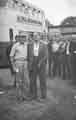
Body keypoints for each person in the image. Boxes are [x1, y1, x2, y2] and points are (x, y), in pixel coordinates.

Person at [27, 33, 48, 100]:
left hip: (41, 64)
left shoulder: (44, 45)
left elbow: (46, 55)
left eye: (37, 36)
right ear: (33, 38)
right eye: (34, 36)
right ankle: (33, 95)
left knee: (42, 80)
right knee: (32, 80)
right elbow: (28, 55)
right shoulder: (29, 45)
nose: (36, 37)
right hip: (33, 64)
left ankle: (43, 95)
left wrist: (40, 62)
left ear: (39, 37)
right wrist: (29, 64)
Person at [10, 35, 28, 100]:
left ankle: (25, 96)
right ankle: (19, 96)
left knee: (26, 80)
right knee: (18, 80)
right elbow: (11, 56)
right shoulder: (15, 45)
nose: (23, 38)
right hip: (18, 63)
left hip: (26, 63)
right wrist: (13, 67)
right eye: (22, 37)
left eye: (24, 37)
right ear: (19, 38)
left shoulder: (27, 45)